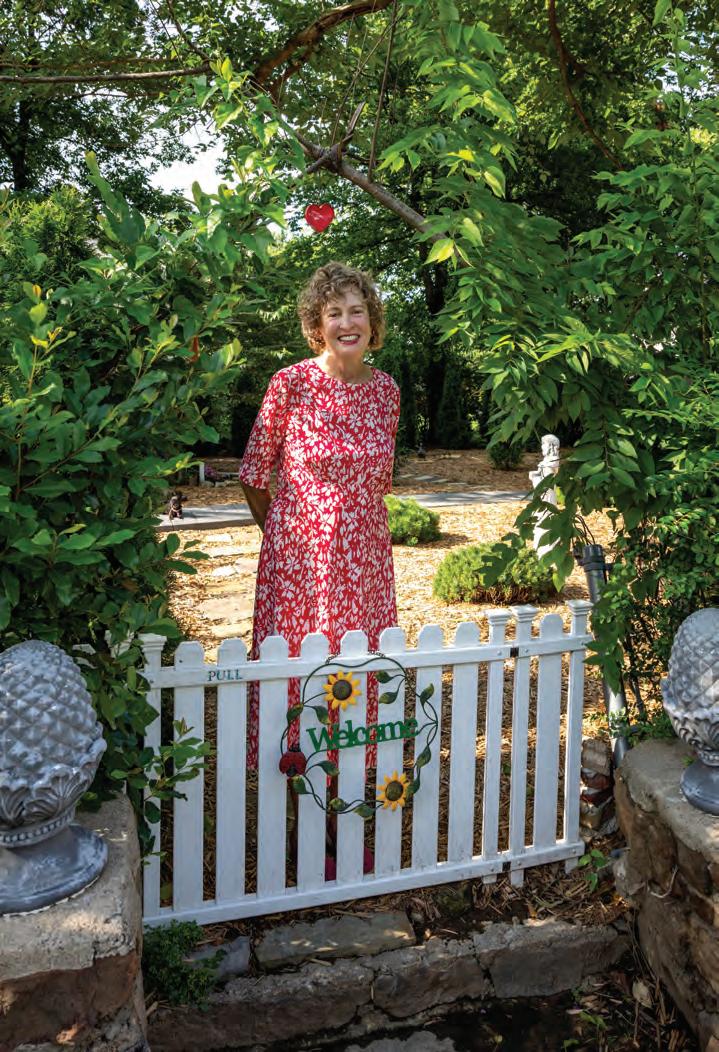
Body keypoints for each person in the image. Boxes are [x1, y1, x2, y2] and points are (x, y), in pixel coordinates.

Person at [239, 262, 401, 770]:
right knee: (298, 674)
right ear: (317, 326)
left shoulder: (387, 391)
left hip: (367, 562)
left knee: (356, 670)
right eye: (334, 313)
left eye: (357, 311)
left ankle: (346, 788)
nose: (347, 323)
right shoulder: (290, 384)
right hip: (300, 567)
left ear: (372, 322)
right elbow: (253, 473)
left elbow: (378, 482)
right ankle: (296, 797)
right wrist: (286, 533)